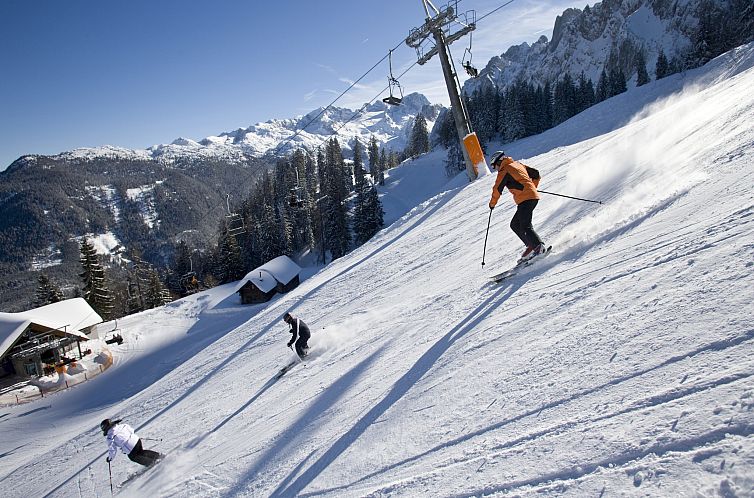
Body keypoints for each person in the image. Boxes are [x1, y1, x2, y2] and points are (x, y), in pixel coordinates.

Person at [488, 151, 546, 262]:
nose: (496, 169)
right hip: (529, 197)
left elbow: (497, 189)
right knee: (515, 224)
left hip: (526, 199)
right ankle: (531, 246)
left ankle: (539, 247)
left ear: (499, 162)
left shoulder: (504, 170)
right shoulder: (518, 164)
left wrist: (492, 204)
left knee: (525, 226)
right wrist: (531, 188)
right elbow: (536, 174)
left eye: (495, 166)